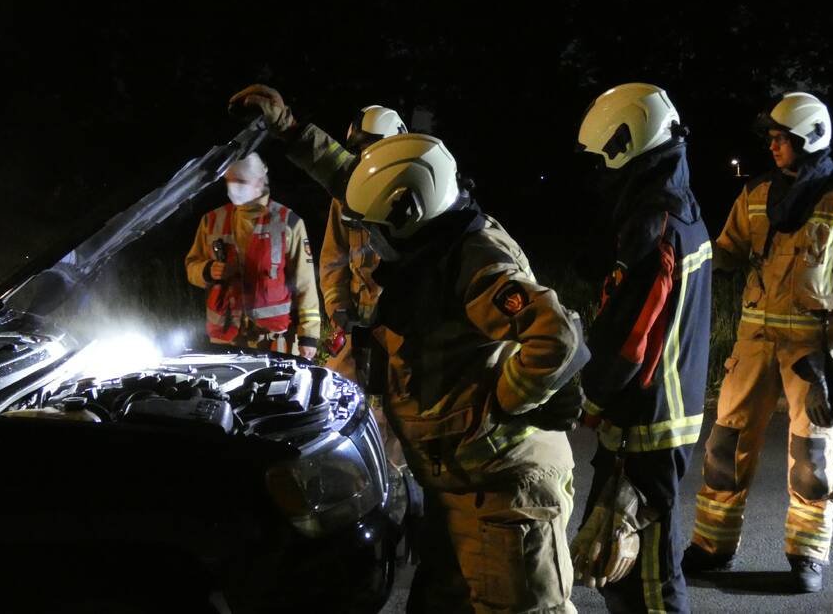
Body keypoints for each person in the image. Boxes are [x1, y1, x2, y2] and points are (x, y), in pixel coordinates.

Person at [228, 83, 589, 613]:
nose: (370, 242)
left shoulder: (474, 260)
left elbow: (557, 336)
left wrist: (505, 401)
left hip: (503, 491)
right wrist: (290, 130)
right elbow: (355, 179)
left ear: (407, 216)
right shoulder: (431, 228)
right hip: (457, 483)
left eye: (377, 231)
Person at [684, 92, 833, 593]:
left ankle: (807, 555)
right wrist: (689, 249)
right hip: (754, 342)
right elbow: (727, 251)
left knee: (812, 457)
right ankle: (712, 546)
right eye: (773, 138)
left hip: (816, 350)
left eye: (782, 138)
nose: (773, 146)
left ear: (810, 139)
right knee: (725, 447)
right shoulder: (756, 192)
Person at [569, 83, 711, 614]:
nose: (600, 173)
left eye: (602, 158)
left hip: (647, 424)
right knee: (623, 567)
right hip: (659, 415)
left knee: (647, 581)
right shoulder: (677, 207)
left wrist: (591, 397)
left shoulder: (656, 225)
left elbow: (631, 338)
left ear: (624, 144)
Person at [185, 152, 320, 359]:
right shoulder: (211, 221)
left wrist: (308, 335)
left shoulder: (288, 223)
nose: (233, 187)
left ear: (258, 182)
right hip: (225, 340)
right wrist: (207, 270)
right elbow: (191, 266)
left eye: (240, 181)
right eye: (229, 181)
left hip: (273, 341)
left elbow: (305, 283)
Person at [321, 105, 406, 380]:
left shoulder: (415, 190)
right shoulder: (347, 196)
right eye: (361, 150)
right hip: (357, 324)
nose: (367, 158)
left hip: (404, 327)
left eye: (374, 148)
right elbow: (333, 259)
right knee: (335, 388)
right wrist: (338, 308)